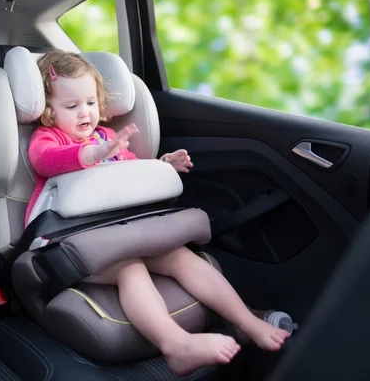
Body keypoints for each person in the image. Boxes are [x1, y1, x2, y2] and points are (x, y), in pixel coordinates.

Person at [26, 50, 290, 376]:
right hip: (68, 245)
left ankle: (247, 322)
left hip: (120, 232)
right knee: (130, 268)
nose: (85, 113)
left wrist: (162, 166)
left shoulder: (107, 136)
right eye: (71, 106)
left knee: (181, 255)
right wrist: (96, 152)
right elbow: (48, 160)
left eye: (91, 103)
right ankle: (176, 345)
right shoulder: (48, 138)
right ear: (50, 112)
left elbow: (133, 177)